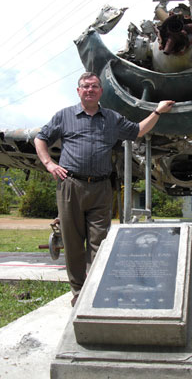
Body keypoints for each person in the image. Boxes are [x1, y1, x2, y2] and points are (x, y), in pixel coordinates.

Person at [34, 72, 175, 306]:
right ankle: (78, 292)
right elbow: (41, 138)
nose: (89, 90)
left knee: (100, 242)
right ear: (78, 91)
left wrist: (157, 111)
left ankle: (96, 287)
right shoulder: (64, 116)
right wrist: (49, 163)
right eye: (85, 86)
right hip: (71, 185)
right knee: (73, 242)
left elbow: (138, 130)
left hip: (101, 187)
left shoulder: (112, 118)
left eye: (94, 86)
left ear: (101, 91)